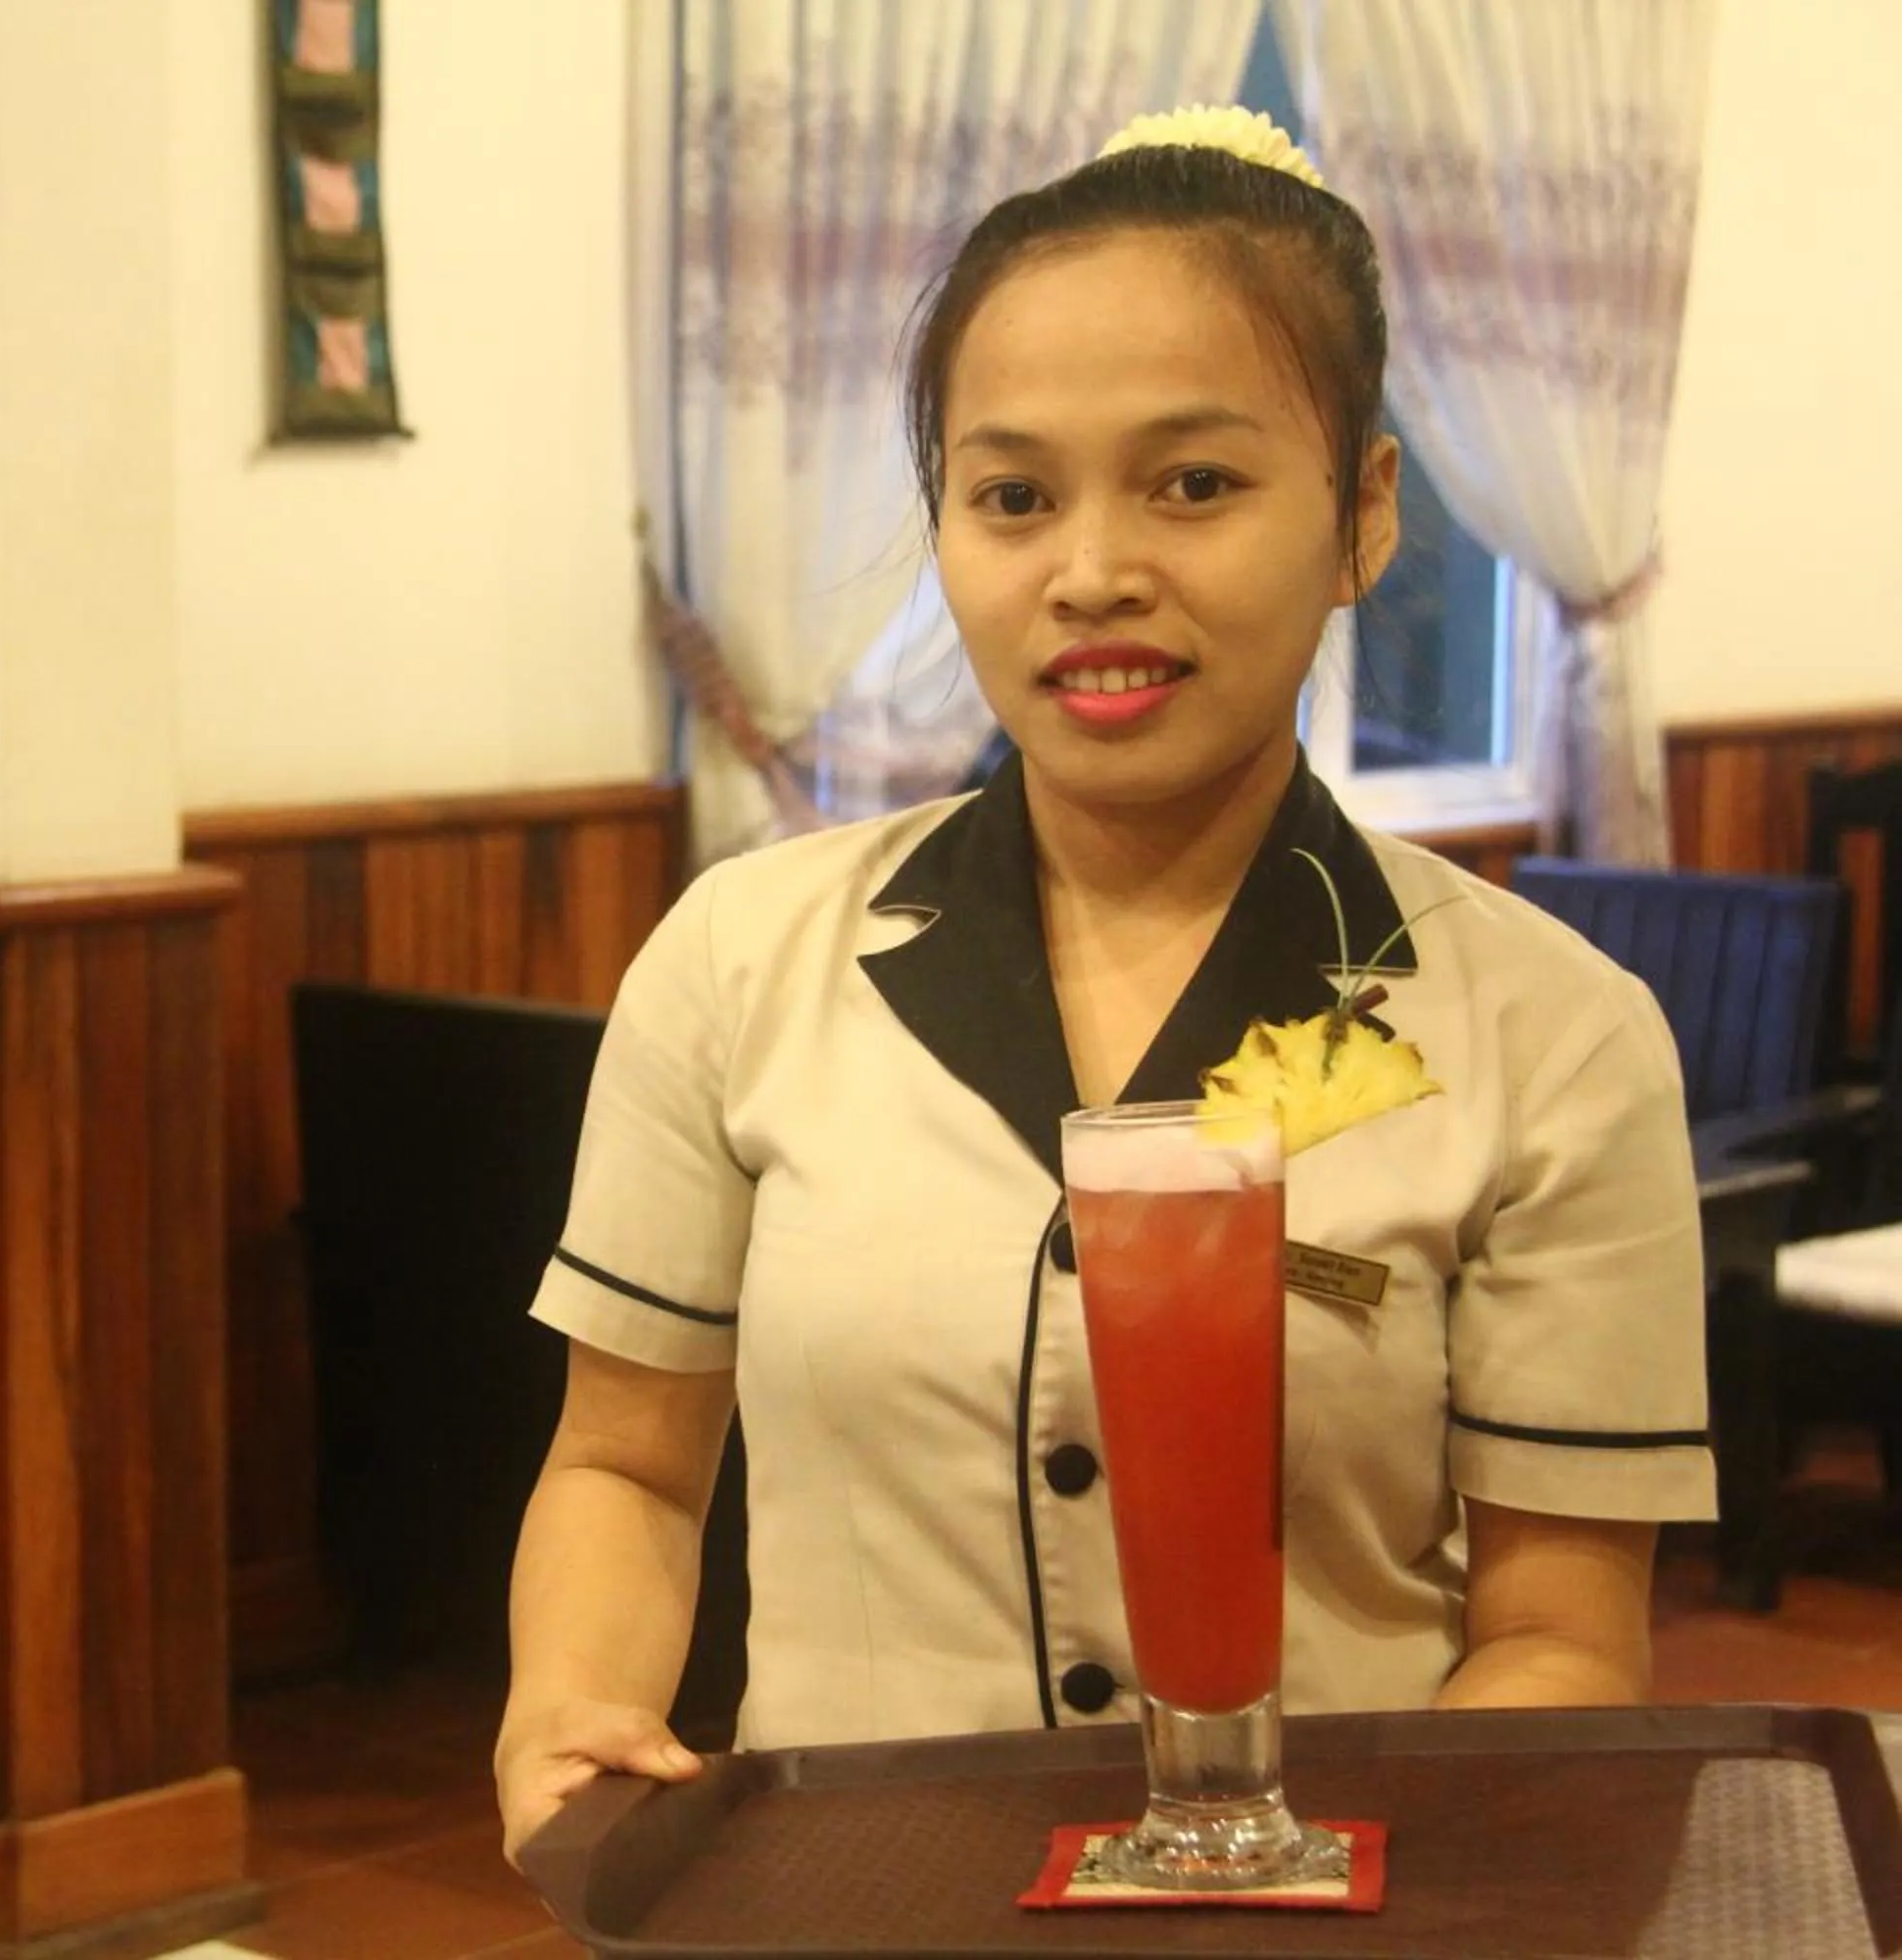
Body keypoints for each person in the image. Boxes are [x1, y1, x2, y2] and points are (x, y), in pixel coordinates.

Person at [495, 106, 1715, 1857]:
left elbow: (1560, 1639)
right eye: (1013, 496)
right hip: (853, 1906)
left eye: (1194, 483)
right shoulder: (742, 963)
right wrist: (570, 1708)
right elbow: (625, 1467)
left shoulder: (1550, 1037)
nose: (1091, 572)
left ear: (1365, 509)